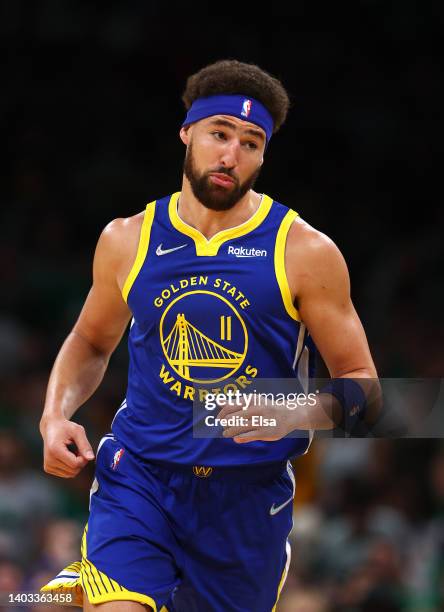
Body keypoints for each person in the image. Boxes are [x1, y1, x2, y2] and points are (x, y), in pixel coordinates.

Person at [40, 59, 379, 611]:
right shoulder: (128, 239)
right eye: (219, 134)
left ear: (264, 155)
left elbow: (366, 392)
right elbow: (91, 341)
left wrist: (294, 411)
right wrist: (55, 413)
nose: (230, 154)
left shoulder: (305, 251)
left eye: (250, 142)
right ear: (187, 134)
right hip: (140, 477)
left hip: (245, 499)